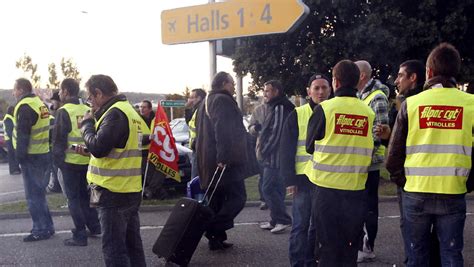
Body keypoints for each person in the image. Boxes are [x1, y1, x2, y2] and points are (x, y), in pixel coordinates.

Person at [386, 43, 474, 266]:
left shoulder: (411, 104)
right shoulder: (470, 104)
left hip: (416, 192)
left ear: (430, 73)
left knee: (417, 256)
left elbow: (393, 157)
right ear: (455, 72)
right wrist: (467, 183)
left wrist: (406, 183)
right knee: (452, 254)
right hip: (453, 191)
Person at [305, 60, 375, 266]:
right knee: (350, 247)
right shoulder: (367, 112)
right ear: (357, 82)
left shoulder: (325, 108)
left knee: (327, 248)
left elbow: (310, 145)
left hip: (326, 191)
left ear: (335, 81)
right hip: (355, 189)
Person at [81, 74, 146, 266]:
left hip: (112, 192)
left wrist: (86, 125)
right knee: (133, 246)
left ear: (99, 93)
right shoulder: (130, 111)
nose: (90, 103)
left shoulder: (114, 114)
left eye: (90, 98)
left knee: (114, 249)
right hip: (129, 189)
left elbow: (99, 148)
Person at [280, 74, 331, 266]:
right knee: (300, 226)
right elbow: (285, 149)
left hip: (325, 179)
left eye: (324, 88)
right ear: (308, 91)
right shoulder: (297, 114)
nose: (320, 92)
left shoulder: (333, 112)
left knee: (318, 226)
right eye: (316, 88)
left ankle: (311, 261)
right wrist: (289, 180)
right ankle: (298, 263)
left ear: (330, 90)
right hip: (302, 180)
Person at [195, 71, 247, 251]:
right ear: (225, 83)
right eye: (232, 84)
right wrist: (223, 158)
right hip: (223, 162)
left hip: (208, 161)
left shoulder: (206, 102)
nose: (233, 87)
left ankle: (216, 240)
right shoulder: (222, 100)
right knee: (238, 198)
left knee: (216, 201)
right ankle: (211, 228)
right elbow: (223, 130)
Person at [52, 78, 101, 246]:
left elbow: (58, 140)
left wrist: (58, 163)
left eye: (60, 90)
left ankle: (80, 234)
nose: (59, 93)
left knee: (73, 199)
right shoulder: (88, 109)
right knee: (85, 197)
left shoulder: (63, 111)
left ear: (66, 91)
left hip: (70, 162)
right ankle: (95, 227)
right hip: (87, 162)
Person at [354, 60, 390, 262]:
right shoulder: (362, 96)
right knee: (360, 206)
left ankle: (367, 248)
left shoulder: (376, 98)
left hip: (370, 161)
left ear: (362, 76)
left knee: (367, 207)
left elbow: (381, 133)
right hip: (360, 160)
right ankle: (361, 244)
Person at [12, 78, 55, 242]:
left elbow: (23, 136)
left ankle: (40, 229)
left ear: (21, 90)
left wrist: (19, 159)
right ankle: (48, 227)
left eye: (15, 89)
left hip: (31, 157)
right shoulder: (39, 103)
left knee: (33, 197)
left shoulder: (25, 107)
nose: (13, 93)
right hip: (43, 153)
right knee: (40, 194)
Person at [258, 80, 294, 234]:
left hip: (275, 157)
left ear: (276, 92)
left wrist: (264, 150)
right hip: (277, 156)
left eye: (268, 91)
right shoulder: (277, 106)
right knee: (277, 189)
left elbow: (277, 133)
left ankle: (282, 220)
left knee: (267, 188)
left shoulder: (279, 107)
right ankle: (275, 220)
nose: (265, 94)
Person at [248, 101, 270, 210]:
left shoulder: (281, 108)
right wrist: (255, 128)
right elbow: (250, 128)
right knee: (263, 176)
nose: (267, 95)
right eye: (265, 92)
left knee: (276, 177)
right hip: (262, 149)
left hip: (278, 149)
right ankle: (264, 200)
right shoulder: (258, 110)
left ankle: (276, 200)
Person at [186, 88, 206, 179]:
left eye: (192, 97)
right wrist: (187, 108)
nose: (190, 100)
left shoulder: (202, 109)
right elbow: (189, 122)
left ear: (199, 98)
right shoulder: (196, 109)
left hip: (199, 148)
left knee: (196, 177)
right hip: (196, 147)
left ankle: (199, 193)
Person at [3, 106, 21, 175]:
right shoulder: (8, 118)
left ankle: (16, 168)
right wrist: (13, 138)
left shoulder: (10, 117)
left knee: (14, 154)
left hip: (11, 139)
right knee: (12, 155)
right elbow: (9, 130)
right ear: (11, 111)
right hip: (10, 139)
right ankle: (13, 169)